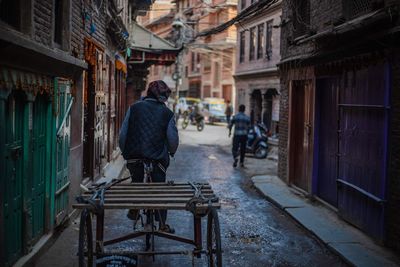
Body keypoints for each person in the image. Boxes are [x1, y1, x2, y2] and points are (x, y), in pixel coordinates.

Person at [119, 80, 179, 233]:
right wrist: (171, 152)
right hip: (157, 159)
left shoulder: (134, 108)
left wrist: (125, 152)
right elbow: (172, 140)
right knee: (160, 188)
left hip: (134, 158)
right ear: (161, 96)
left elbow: (122, 135)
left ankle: (135, 207)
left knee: (137, 181)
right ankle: (162, 224)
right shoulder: (167, 113)